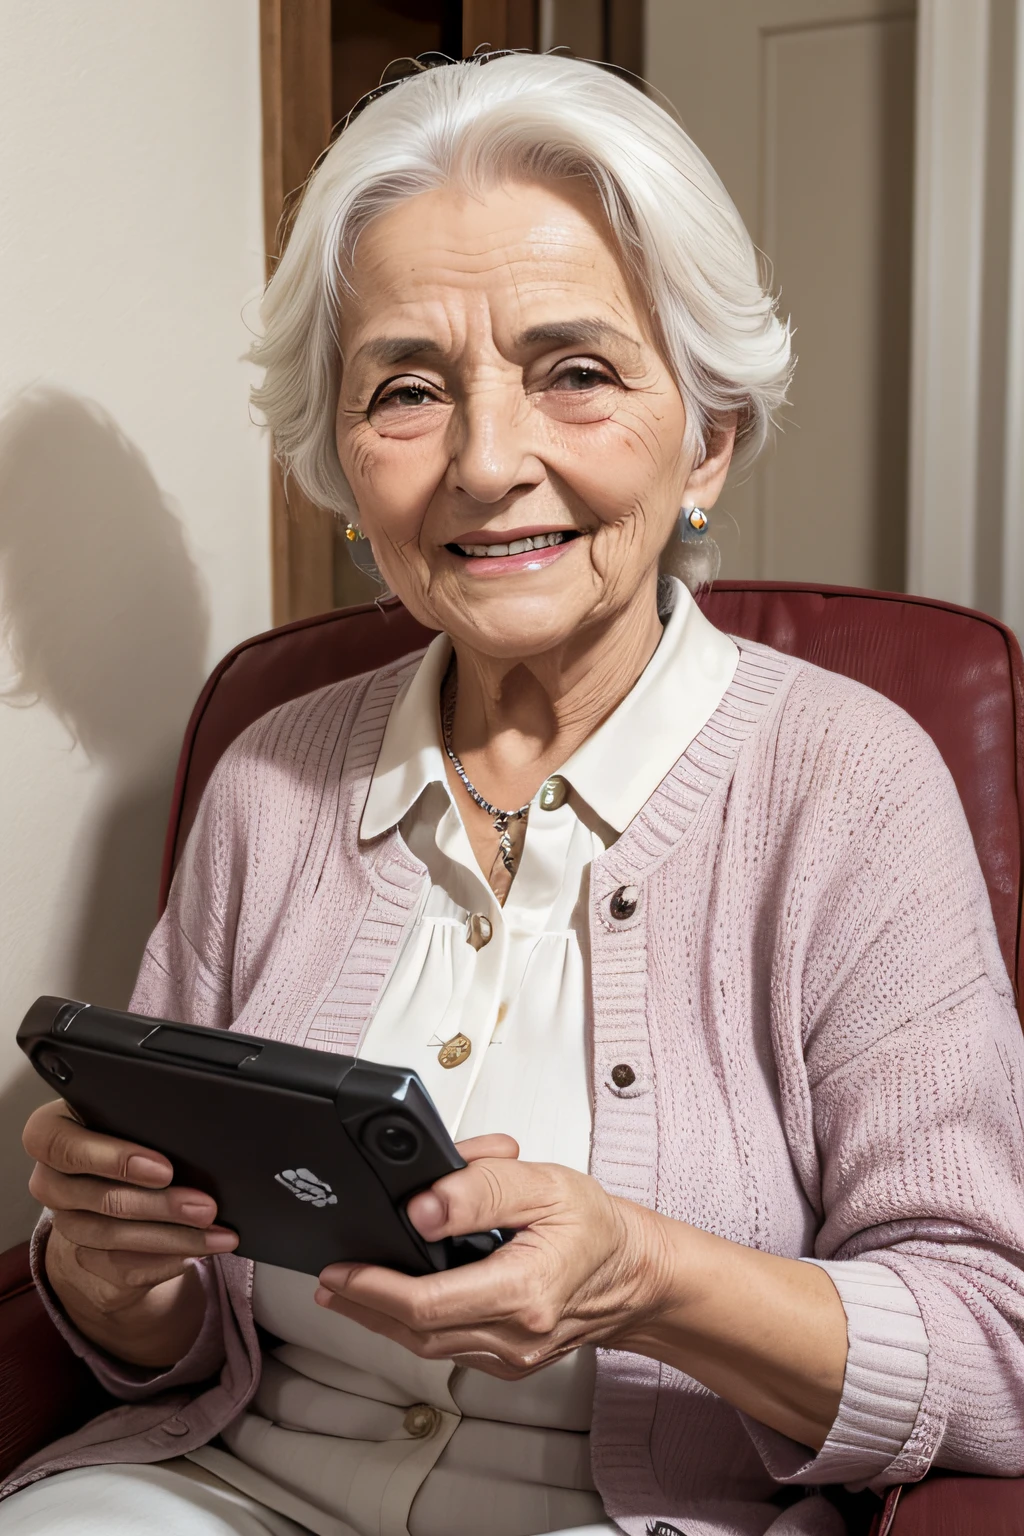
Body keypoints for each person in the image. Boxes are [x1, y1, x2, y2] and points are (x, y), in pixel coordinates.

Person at [5, 50, 1024, 1536]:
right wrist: (117, 1273)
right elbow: (183, 1344)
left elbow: (991, 1341)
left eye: (578, 373)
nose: (489, 463)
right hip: (224, 1489)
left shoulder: (852, 783)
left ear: (709, 440)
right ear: (346, 469)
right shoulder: (268, 777)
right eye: (408, 390)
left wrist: (651, 1280)